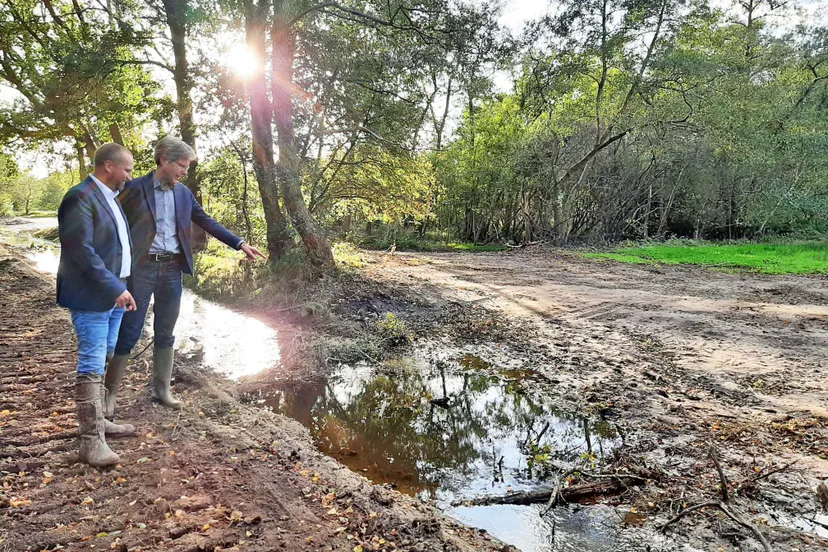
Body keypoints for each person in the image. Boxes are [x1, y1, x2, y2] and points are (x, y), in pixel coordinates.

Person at [103, 136, 265, 417]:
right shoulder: (134, 188)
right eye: (182, 166)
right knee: (129, 331)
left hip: (172, 271)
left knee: (166, 332)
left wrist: (239, 243)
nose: (185, 172)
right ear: (164, 160)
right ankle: (110, 395)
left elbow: (206, 221)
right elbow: (109, 220)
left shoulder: (183, 194)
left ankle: (162, 390)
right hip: (140, 270)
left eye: (187, 168)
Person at [57, 143, 138, 468]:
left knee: (103, 353)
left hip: (116, 293)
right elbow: (80, 249)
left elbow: (116, 247)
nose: (129, 177)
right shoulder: (80, 196)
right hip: (93, 295)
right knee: (91, 362)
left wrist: (125, 286)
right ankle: (90, 442)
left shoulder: (110, 198)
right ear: (108, 166)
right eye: (127, 170)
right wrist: (114, 287)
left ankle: (100, 423)